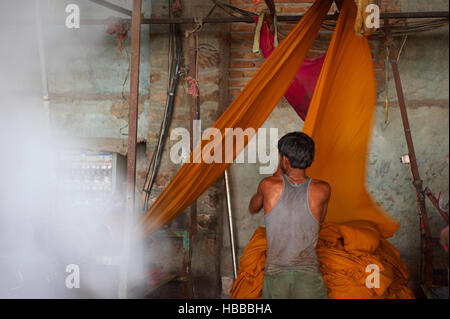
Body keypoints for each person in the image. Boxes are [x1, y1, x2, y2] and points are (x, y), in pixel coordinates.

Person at [248, 131, 331, 299]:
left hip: (276, 274)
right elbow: (319, 221)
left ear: (284, 160)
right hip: (309, 275)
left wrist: (277, 173)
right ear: (310, 159)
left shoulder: (268, 185)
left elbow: (253, 207)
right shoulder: (323, 189)